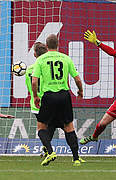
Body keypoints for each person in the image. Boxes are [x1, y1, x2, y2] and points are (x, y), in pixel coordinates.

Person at [32, 34, 84, 166]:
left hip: (49, 96)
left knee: (41, 127)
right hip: (64, 95)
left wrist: (36, 96)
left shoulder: (41, 59)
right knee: (69, 126)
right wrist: (80, 90)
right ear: (58, 45)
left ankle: (50, 152)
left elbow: (34, 81)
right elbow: (77, 79)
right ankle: (76, 158)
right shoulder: (66, 58)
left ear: (47, 45)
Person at [25, 42, 58, 159]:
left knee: (43, 128)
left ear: (34, 54)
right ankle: (49, 150)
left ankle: (47, 147)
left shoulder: (28, 70)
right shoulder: (47, 69)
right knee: (52, 124)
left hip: (35, 104)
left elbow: (30, 86)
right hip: (48, 101)